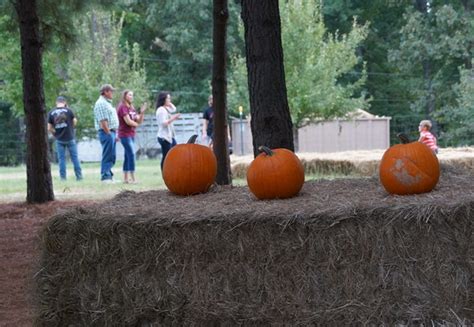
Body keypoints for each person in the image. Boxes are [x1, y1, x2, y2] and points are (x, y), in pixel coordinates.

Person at [47, 96, 83, 181]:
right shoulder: (69, 110)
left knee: (61, 159)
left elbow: (49, 128)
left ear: (56, 102)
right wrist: (71, 128)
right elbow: (74, 121)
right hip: (70, 138)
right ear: (65, 102)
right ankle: (79, 177)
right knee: (75, 158)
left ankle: (63, 178)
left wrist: (55, 133)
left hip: (59, 139)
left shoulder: (51, 112)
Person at [117, 90, 148, 183]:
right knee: (131, 154)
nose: (131, 96)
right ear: (125, 96)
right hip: (124, 135)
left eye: (132, 95)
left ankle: (126, 179)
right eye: (129, 95)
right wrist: (136, 125)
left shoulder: (131, 108)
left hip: (131, 134)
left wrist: (142, 112)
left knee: (127, 155)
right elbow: (128, 121)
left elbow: (139, 121)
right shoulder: (122, 107)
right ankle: (133, 178)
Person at [94, 84, 119, 182]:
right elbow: (103, 121)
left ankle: (109, 175)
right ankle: (105, 176)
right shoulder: (101, 103)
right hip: (106, 132)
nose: (112, 93)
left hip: (111, 132)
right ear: (105, 92)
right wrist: (108, 133)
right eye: (111, 91)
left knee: (112, 155)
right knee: (107, 155)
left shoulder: (107, 103)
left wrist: (114, 133)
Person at [156, 92, 180, 171]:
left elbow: (174, 109)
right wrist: (174, 118)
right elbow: (163, 123)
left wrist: (169, 103)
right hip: (164, 137)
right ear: (164, 100)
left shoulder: (166, 108)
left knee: (175, 153)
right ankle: (165, 172)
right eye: (168, 98)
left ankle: (171, 171)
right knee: (166, 156)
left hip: (170, 136)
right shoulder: (161, 110)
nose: (170, 100)